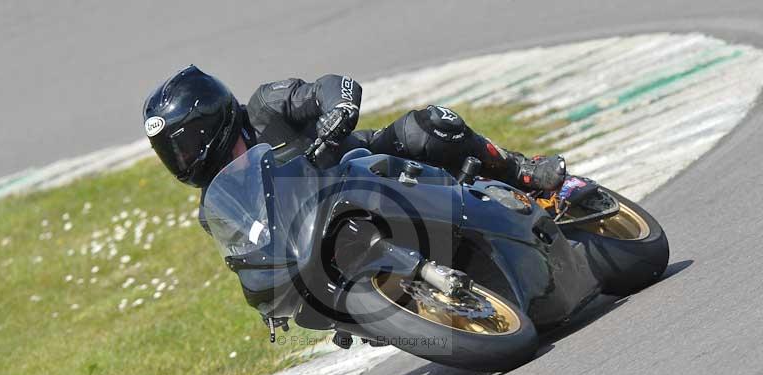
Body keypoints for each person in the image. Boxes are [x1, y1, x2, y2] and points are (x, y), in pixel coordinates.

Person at [142, 65, 569, 226]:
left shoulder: (265, 107)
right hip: (332, 230)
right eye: (172, 154)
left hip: (373, 164)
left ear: (212, 117)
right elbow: (248, 260)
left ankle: (521, 171)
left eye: (186, 144)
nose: (183, 159)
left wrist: (338, 109)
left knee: (430, 125)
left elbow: (332, 86)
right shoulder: (219, 202)